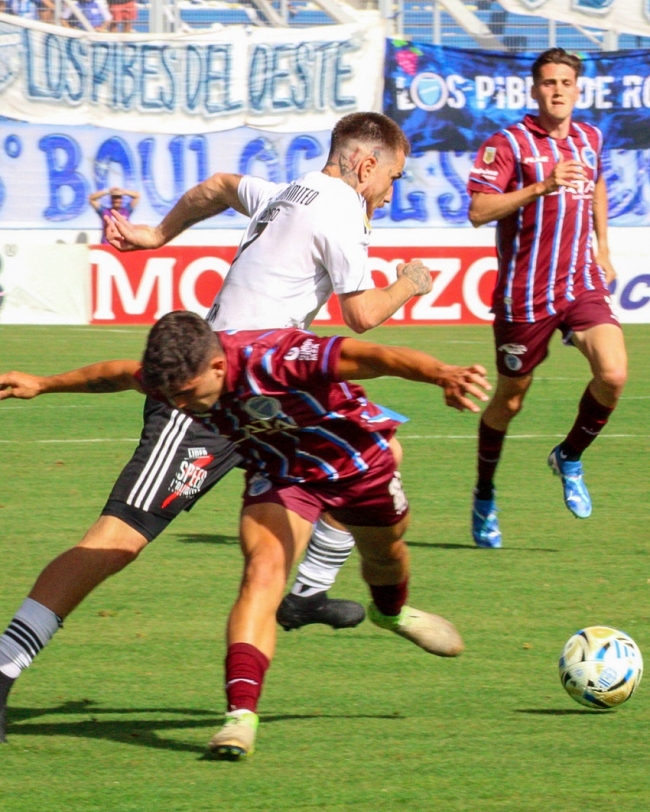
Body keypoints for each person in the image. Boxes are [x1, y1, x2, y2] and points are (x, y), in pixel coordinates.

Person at [0, 112, 438, 743]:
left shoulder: (287, 192)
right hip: (209, 393)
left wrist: (157, 234)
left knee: (371, 446)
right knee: (118, 539)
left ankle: (308, 592)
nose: (390, 195)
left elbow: (219, 187)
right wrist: (409, 283)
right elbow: (363, 315)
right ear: (366, 165)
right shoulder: (341, 207)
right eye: (391, 178)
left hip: (269, 389)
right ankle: (4, 666)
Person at [0, 310, 490, 757]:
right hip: (280, 475)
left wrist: (441, 373)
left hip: (357, 465)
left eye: (187, 395)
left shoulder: (277, 358)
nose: (180, 406)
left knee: (385, 555)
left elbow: (373, 355)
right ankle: (240, 717)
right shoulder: (179, 381)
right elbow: (118, 374)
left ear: (218, 366)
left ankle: (390, 612)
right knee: (262, 573)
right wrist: (43, 383)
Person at [466, 48, 626, 549]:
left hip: (580, 283)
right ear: (535, 90)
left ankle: (570, 456)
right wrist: (542, 186)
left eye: (566, 82)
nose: (558, 90)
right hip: (525, 296)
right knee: (510, 400)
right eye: (549, 82)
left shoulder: (590, 137)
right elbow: (478, 211)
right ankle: (485, 492)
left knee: (614, 373)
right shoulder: (507, 143)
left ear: (577, 89)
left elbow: (597, 183)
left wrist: (603, 246)